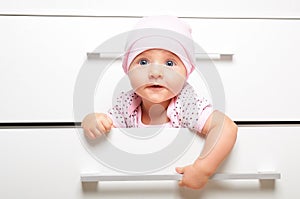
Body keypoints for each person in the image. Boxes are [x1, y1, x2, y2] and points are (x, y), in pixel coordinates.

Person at [81, 15, 238, 190]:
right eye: (143, 61)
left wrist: (203, 169)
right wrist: (91, 120)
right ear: (128, 70)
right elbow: (105, 122)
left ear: (185, 74)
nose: (155, 72)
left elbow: (226, 127)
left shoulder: (186, 103)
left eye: (170, 63)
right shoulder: (127, 104)